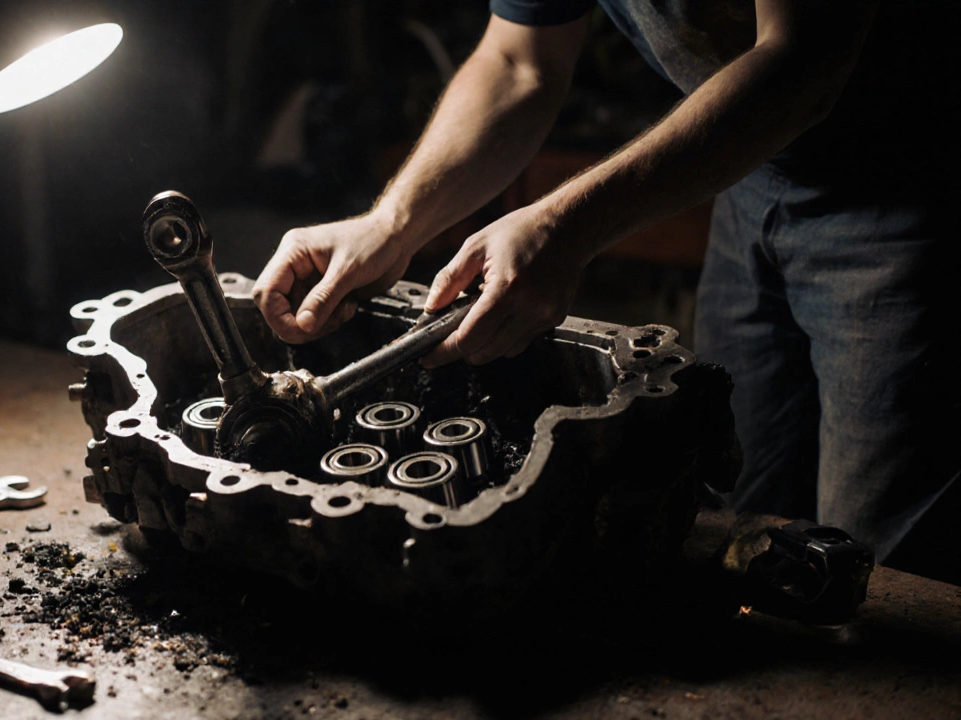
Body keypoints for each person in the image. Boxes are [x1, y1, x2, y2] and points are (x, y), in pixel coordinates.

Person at [251, 0, 959, 582]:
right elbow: (520, 62)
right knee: (747, 523)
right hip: (752, 175)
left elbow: (805, 61)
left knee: (884, 571)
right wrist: (394, 224)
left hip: (913, 191)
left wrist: (566, 226)